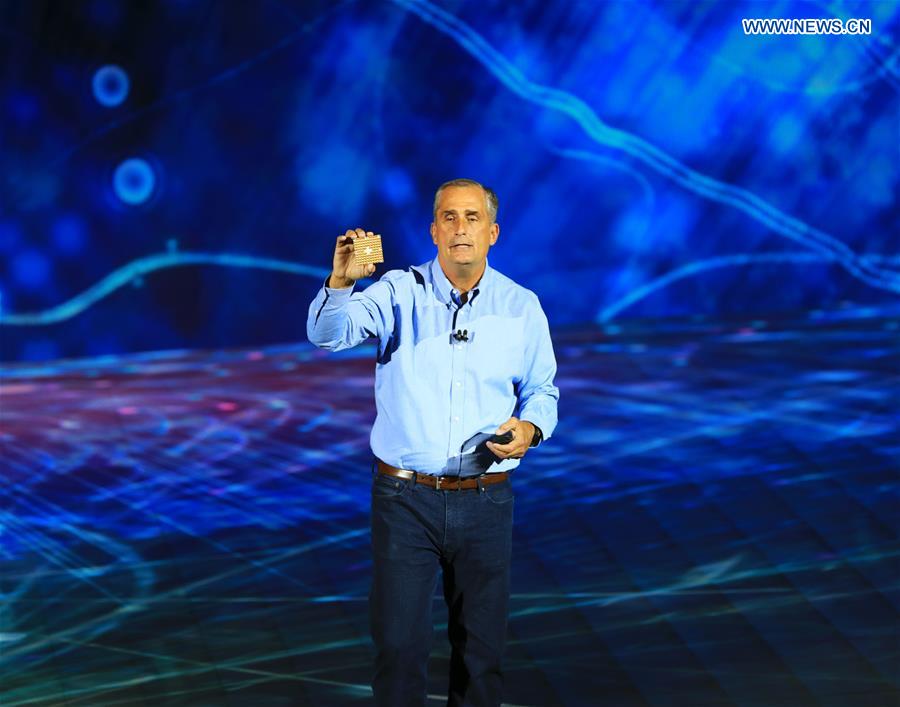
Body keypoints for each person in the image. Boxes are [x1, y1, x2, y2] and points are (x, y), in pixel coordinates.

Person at [306, 178, 559, 707]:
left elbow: (542, 391)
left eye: (472, 217)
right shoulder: (397, 291)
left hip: (486, 500)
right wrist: (340, 283)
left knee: (481, 656)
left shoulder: (521, 307)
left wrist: (530, 430)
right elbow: (328, 335)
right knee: (398, 651)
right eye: (449, 217)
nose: (460, 228)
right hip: (405, 500)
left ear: (492, 233)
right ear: (433, 231)